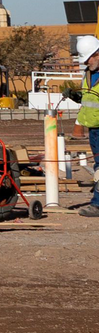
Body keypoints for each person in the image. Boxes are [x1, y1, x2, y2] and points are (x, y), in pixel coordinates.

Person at [76, 35, 99, 215]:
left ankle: (97, 204)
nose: (86, 63)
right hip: (94, 127)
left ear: (97, 54)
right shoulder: (89, 74)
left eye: (88, 59)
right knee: (98, 166)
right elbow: (88, 98)